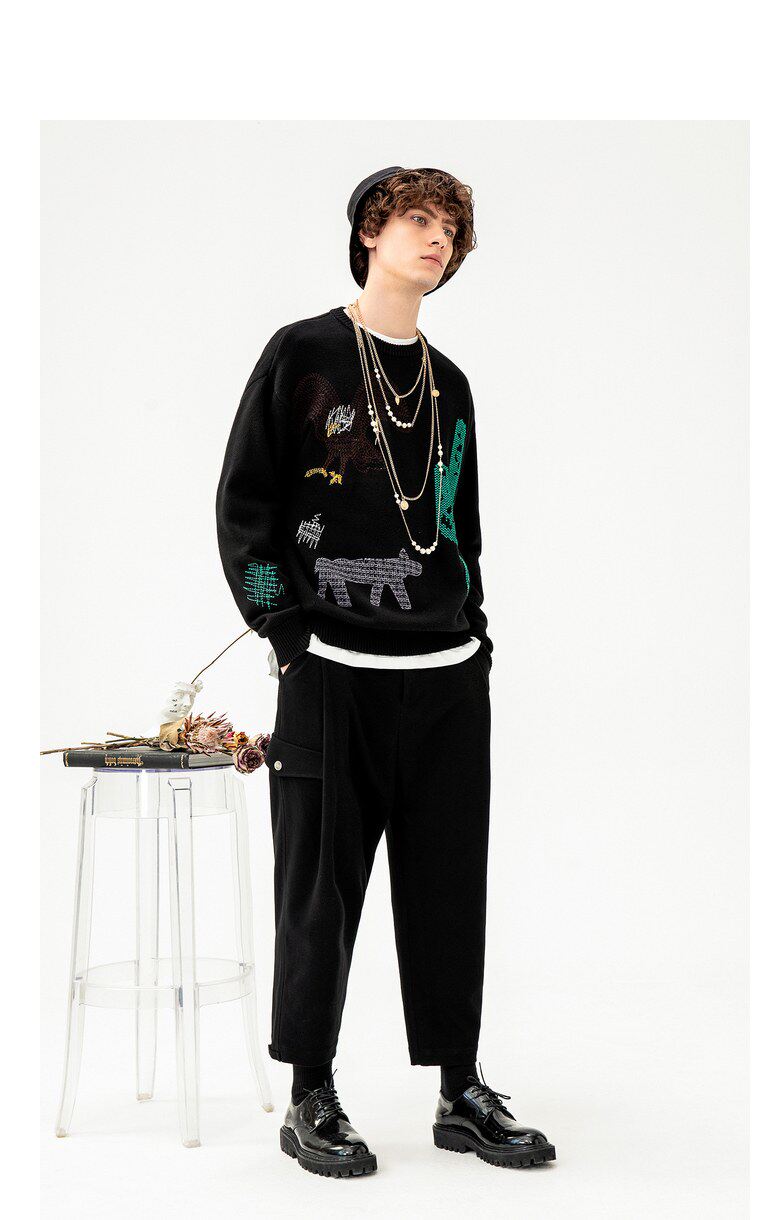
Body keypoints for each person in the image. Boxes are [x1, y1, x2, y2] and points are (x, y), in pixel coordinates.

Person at [216, 165, 555, 1177]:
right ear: (369, 231)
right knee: (317, 890)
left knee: (450, 884)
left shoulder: (450, 385)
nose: (436, 237)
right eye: (416, 218)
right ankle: (310, 1092)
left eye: (450, 226)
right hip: (331, 668)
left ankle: (459, 1087)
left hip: (445, 673)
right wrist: (284, 629)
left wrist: (476, 638)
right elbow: (245, 504)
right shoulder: (304, 353)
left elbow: (461, 528)